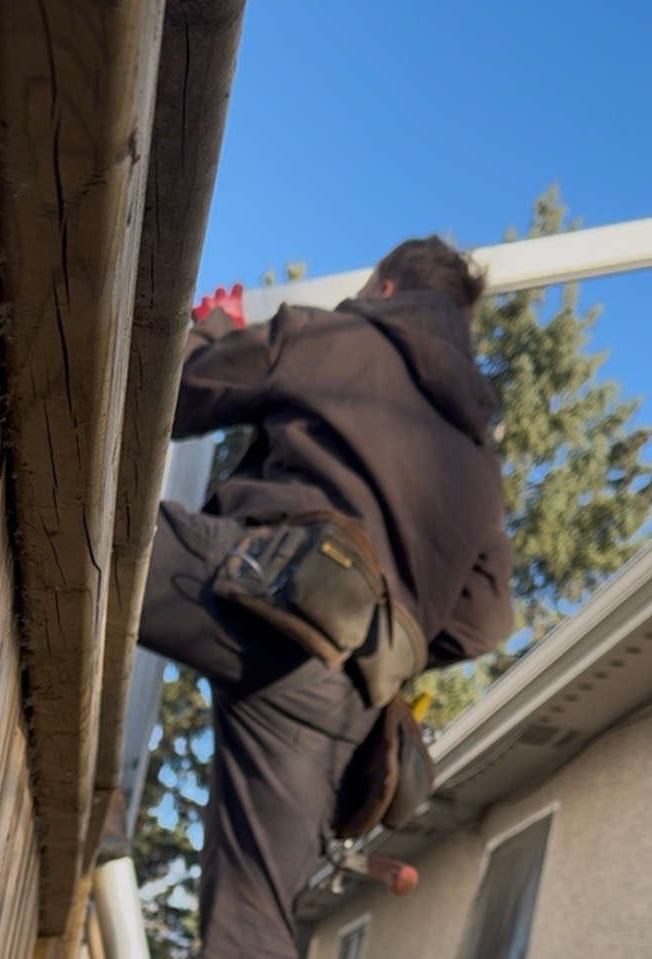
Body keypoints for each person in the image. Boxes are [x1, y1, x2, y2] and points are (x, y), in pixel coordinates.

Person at [137, 236, 513, 959]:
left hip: (258, 589)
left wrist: (213, 332)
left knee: (84, 531)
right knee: (252, 925)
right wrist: (375, 621)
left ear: (385, 289)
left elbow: (178, 386)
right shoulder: (479, 466)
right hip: (343, 688)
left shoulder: (340, 338)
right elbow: (486, 619)